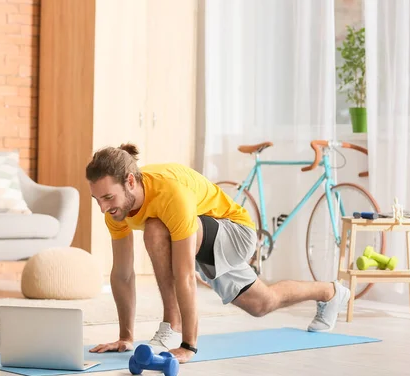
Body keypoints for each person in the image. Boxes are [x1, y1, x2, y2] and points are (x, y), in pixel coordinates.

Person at [86, 143, 350, 363]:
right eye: (97, 199)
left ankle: (172, 324)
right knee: (262, 304)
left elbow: (185, 274)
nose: (102, 207)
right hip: (202, 238)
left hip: (235, 232)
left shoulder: (169, 194)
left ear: (130, 181)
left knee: (155, 229)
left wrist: (188, 346)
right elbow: (122, 274)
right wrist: (126, 337)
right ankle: (331, 292)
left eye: (107, 197)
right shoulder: (116, 210)